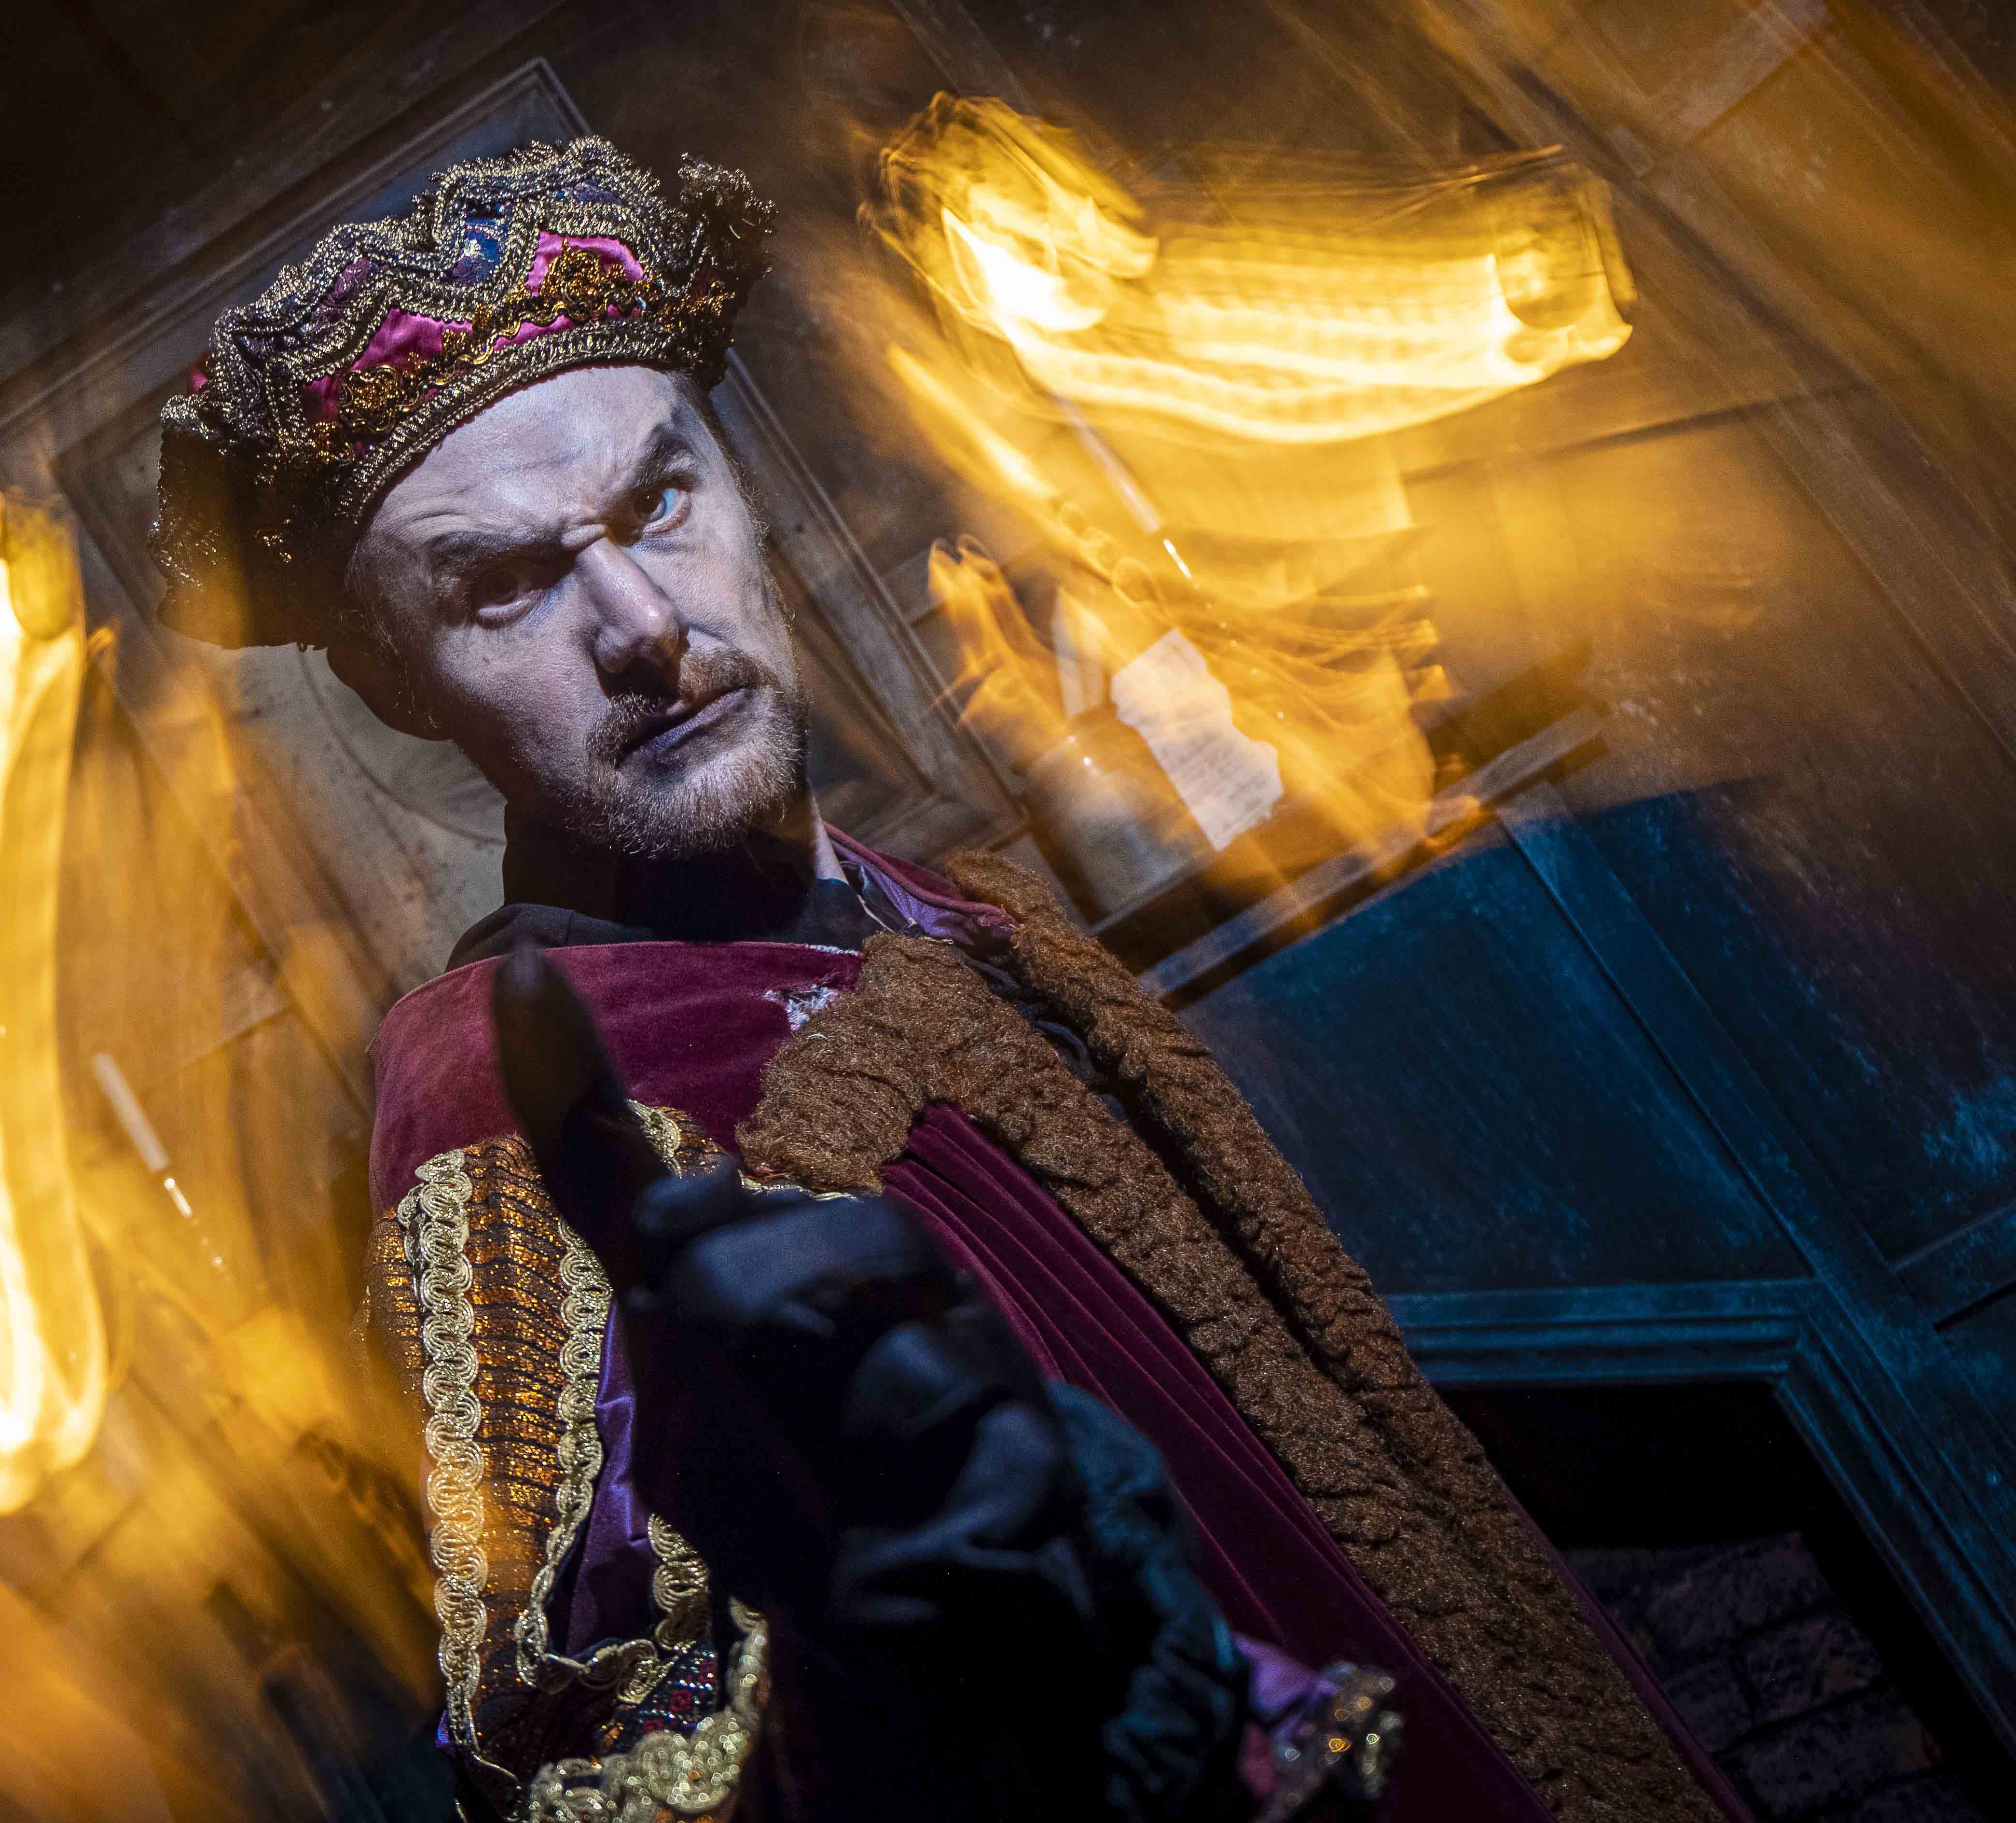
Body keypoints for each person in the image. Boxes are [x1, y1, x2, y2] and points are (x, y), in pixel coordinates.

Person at [152, 137, 1745, 1823]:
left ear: (742, 489)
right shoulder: (513, 1116)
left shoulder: (932, 902)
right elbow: (594, 1765)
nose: (639, 624)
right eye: (506, 585)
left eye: (658, 502)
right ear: (402, 687)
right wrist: (870, 1670)